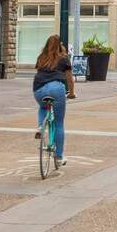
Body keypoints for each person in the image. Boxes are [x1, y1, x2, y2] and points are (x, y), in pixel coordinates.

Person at [32, 34, 76, 167]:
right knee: (59, 123)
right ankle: (59, 157)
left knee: (43, 106)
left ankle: (40, 126)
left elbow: (39, 71)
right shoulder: (64, 59)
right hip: (56, 88)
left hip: (38, 87)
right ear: (60, 45)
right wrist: (72, 94)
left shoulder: (41, 57)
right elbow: (69, 79)